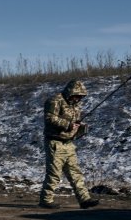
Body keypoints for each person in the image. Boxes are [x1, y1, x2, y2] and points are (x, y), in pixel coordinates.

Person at [39, 79, 100, 209]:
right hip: (55, 143)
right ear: (71, 92)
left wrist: (79, 127)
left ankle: (84, 199)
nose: (79, 99)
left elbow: (74, 121)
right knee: (54, 174)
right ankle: (46, 200)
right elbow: (50, 118)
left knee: (75, 173)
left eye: (81, 96)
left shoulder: (75, 106)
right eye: (77, 95)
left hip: (69, 143)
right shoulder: (55, 101)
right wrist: (68, 125)